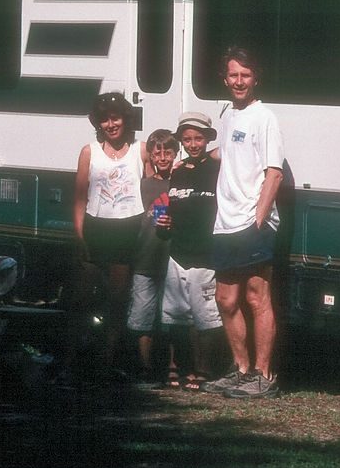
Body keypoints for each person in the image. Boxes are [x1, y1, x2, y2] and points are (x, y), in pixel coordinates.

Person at [203, 48, 284, 400]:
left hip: (252, 222)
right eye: (233, 75)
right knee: (225, 299)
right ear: (225, 79)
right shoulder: (228, 115)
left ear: (256, 79)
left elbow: (274, 172)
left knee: (256, 297)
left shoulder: (264, 117)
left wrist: (259, 218)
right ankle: (240, 370)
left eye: (245, 75)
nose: (239, 81)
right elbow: (228, 154)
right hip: (225, 222)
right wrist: (189, 159)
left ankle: (264, 376)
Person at [72, 91, 145, 379]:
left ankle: (106, 362)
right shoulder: (89, 151)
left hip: (127, 230)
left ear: (125, 120)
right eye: (104, 120)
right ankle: (72, 361)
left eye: (115, 118)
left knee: (117, 301)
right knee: (82, 300)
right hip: (96, 229)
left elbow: (154, 187)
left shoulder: (141, 150)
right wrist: (80, 237)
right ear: (98, 124)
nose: (111, 124)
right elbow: (79, 197)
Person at [156, 112, 225, 390]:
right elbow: (171, 203)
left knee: (205, 316)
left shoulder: (219, 166)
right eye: (187, 139)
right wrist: (164, 220)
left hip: (205, 253)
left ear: (208, 139)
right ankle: (177, 367)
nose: (193, 144)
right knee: (174, 315)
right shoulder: (179, 170)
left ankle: (203, 370)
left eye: (198, 138)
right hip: (178, 251)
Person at [127, 128, 179, 386]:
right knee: (142, 317)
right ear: (150, 156)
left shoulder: (182, 181)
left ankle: (173, 367)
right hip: (145, 258)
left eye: (168, 152)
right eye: (157, 152)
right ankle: (145, 367)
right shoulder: (143, 185)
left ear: (175, 153)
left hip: (173, 258)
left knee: (171, 318)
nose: (162, 157)